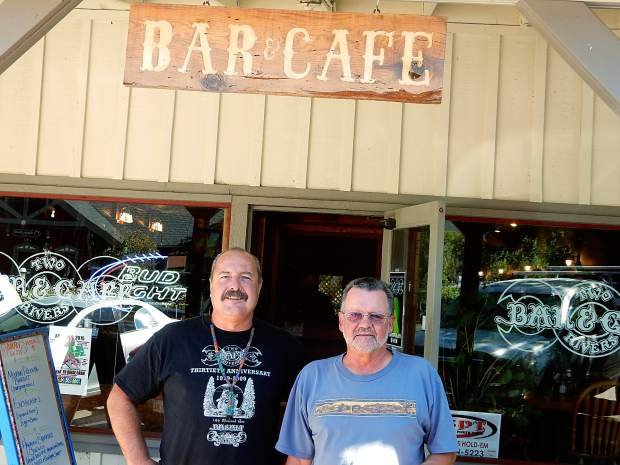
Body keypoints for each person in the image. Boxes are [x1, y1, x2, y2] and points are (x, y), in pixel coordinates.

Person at [107, 247, 304, 465]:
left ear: (259, 287)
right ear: (210, 285)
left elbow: (309, 415)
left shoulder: (284, 348)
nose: (235, 286)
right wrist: (138, 460)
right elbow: (120, 398)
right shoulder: (173, 339)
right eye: (225, 276)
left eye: (246, 277)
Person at [276, 277, 458, 465]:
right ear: (340, 321)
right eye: (355, 315)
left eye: (376, 316)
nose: (364, 324)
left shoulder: (421, 375)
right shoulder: (312, 377)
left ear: (390, 324)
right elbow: (298, 459)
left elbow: (444, 453)